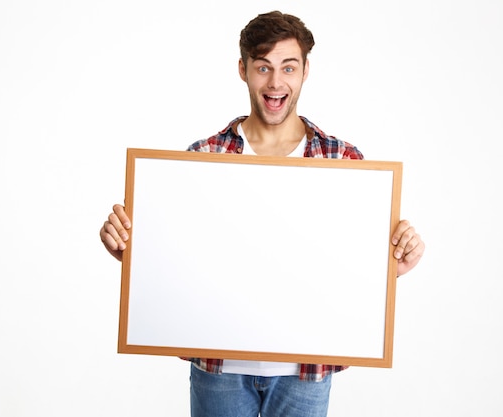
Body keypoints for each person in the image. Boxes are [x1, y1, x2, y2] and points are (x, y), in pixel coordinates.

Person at [100, 10, 425, 417]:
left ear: (305, 71)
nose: (275, 82)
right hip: (219, 368)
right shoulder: (203, 158)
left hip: (305, 372)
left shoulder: (342, 160)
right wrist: (129, 252)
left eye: (288, 67)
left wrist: (394, 266)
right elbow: (176, 262)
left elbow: (348, 269)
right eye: (263, 67)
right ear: (243, 70)